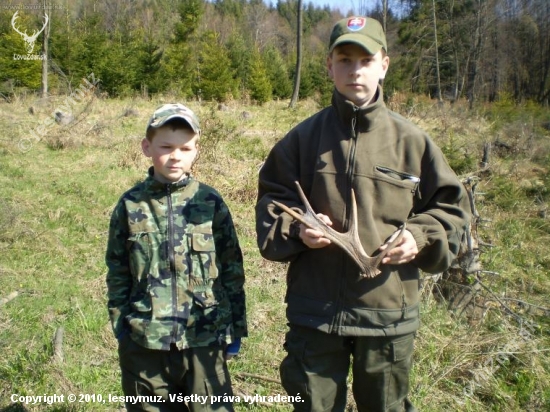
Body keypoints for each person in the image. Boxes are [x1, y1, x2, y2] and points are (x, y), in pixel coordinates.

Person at [255, 16, 470, 412]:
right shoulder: (301, 140)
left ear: (384, 65)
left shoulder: (413, 143)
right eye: (345, 59)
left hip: (386, 314)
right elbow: (272, 205)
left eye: (366, 60)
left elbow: (452, 212)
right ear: (329, 65)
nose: (355, 70)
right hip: (315, 313)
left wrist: (419, 237)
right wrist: (298, 232)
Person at [106, 103, 247, 412]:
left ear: (196, 150)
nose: (175, 155)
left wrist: (235, 328)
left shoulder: (209, 201)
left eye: (185, 148)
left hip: (204, 337)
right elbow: (117, 270)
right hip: (146, 341)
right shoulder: (130, 205)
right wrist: (122, 327)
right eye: (166, 146)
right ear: (147, 147)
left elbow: (232, 268)